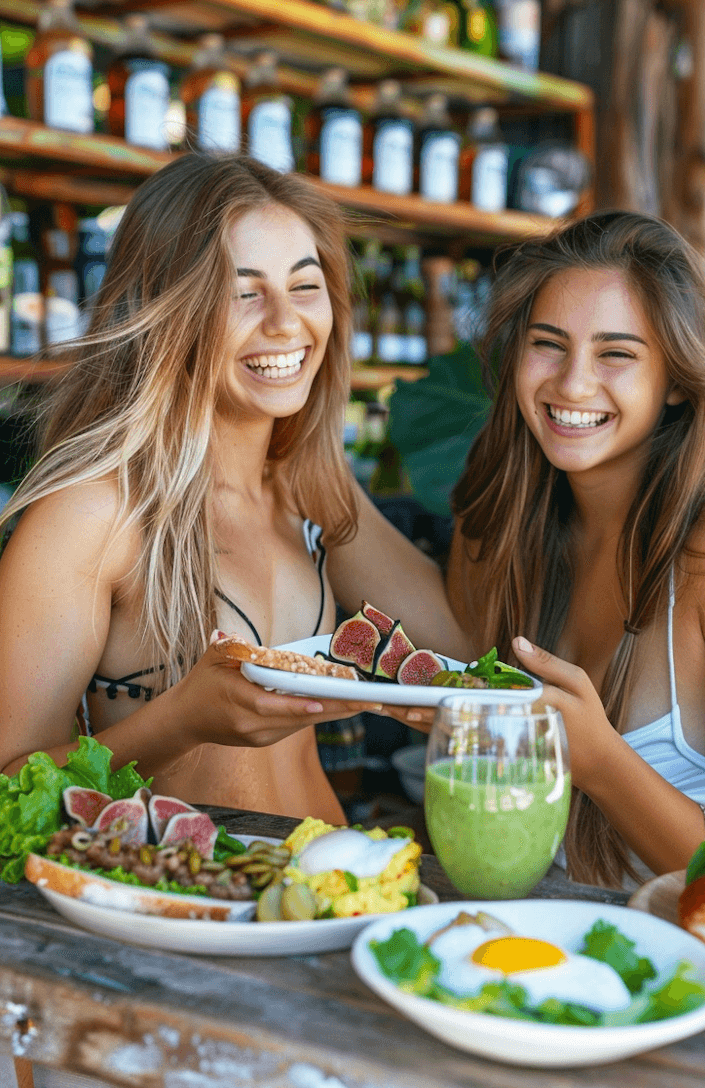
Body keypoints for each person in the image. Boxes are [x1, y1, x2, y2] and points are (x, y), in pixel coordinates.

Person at [0, 153, 466, 822]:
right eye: (243, 291)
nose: (283, 322)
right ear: (166, 310)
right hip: (185, 908)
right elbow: (9, 789)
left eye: (304, 287)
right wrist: (179, 722)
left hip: (329, 887)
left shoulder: (312, 490)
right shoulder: (96, 510)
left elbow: (459, 644)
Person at [446, 210, 705, 887]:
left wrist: (598, 761)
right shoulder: (502, 531)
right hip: (526, 957)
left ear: (677, 380)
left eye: (615, 353)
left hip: (689, 978)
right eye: (548, 344)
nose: (571, 384)